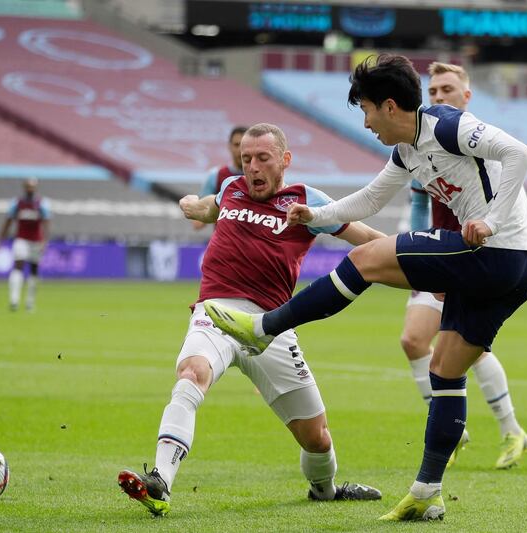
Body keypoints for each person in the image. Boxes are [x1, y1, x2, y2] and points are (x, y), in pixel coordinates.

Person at [204, 54, 527, 522]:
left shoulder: (446, 126)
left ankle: (265, 327)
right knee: (444, 371)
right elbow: (370, 199)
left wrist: (491, 219)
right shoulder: (406, 151)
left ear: (388, 105)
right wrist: (314, 216)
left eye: (364, 109)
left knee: (365, 259)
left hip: (496, 252)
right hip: (518, 269)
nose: (364, 123)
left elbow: (519, 154)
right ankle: (426, 492)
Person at [118, 123, 386, 517]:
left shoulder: (307, 200)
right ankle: (160, 481)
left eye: (263, 158)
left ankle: (325, 491)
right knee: (192, 374)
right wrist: (190, 204)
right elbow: (208, 207)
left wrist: (419, 262)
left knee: (317, 439)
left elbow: (364, 236)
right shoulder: (231, 189)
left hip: (272, 324)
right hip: (217, 313)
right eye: (246, 159)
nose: (253, 167)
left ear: (285, 160)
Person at [399, 62, 527, 470]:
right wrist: (426, 264)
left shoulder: (475, 140)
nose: (437, 97)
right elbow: (420, 203)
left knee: (465, 350)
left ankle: (510, 430)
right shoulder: (421, 143)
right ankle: (455, 430)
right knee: (413, 340)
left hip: (477, 254)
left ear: (466, 96)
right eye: (432, 90)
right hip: (441, 253)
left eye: (447, 89)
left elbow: (514, 168)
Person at [0, 177, 51, 311]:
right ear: (24, 187)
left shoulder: (42, 203)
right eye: (28, 186)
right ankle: (14, 300)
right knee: (18, 266)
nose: (30, 189)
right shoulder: (17, 203)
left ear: (36, 187)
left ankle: (30, 302)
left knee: (34, 270)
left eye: (32, 186)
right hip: (21, 239)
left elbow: (46, 223)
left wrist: (45, 241)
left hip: (36, 241)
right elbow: (7, 222)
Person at [191, 125, 247, 230]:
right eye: (236, 145)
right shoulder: (216, 175)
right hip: (225, 243)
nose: (240, 150)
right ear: (229, 146)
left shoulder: (262, 177)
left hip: (252, 243)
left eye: (244, 145)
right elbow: (198, 222)